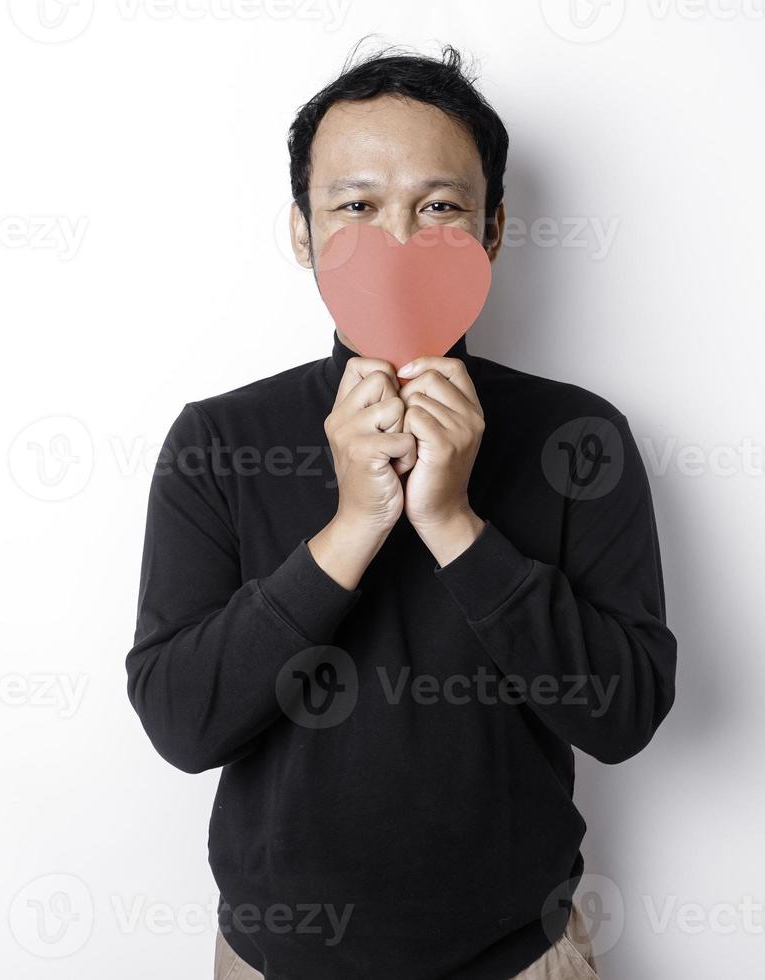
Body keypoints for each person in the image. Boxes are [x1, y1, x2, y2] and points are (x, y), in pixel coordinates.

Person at [126, 44, 676, 979]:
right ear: (301, 231)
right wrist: (351, 528)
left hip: (521, 959)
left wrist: (457, 524)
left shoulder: (579, 437)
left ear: (493, 228)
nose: (397, 238)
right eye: (355, 206)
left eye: (439, 206)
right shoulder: (218, 440)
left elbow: (622, 715)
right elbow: (183, 725)